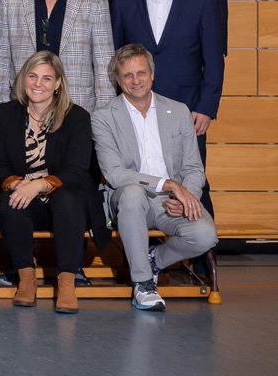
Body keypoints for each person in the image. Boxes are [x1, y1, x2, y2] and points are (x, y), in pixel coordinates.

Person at [93, 46, 218, 311]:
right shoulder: (103, 117)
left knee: (206, 235)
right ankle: (143, 284)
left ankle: (154, 260)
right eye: (127, 75)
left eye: (141, 73)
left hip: (171, 202)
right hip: (129, 202)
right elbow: (115, 174)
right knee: (132, 192)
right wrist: (169, 184)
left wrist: (187, 196)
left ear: (152, 75)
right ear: (118, 79)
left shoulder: (179, 111)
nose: (135, 80)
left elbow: (195, 168)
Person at [0, 51, 96, 314]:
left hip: (63, 205)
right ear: (24, 80)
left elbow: (78, 170)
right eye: (33, 76)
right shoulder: (7, 114)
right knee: (8, 202)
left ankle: (67, 283)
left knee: (67, 198)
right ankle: (26, 279)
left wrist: (38, 184)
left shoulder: (76, 117)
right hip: (24, 204)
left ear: (58, 83)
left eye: (47, 78)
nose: (38, 83)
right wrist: (16, 185)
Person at [112, 0, 223, 154]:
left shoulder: (202, 1)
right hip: (135, 108)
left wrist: (206, 108)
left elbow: (214, 60)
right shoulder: (122, 2)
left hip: (189, 110)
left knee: (190, 181)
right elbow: (114, 58)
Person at [0, 0, 116, 119]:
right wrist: (1, 110)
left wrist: (103, 121)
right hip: (22, 110)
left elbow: (104, 68)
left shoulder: (94, 0)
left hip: (76, 111)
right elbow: (0, 60)